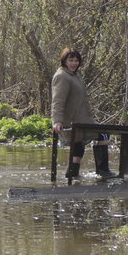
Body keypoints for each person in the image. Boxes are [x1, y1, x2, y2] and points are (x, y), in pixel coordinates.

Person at [50, 47, 116, 182]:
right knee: (104, 134)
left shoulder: (74, 75)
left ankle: (73, 174)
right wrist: (57, 120)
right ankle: (103, 171)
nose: (74, 63)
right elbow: (58, 100)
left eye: (76, 60)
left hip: (82, 119)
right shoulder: (62, 76)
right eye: (71, 60)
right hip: (72, 121)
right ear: (64, 61)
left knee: (78, 145)